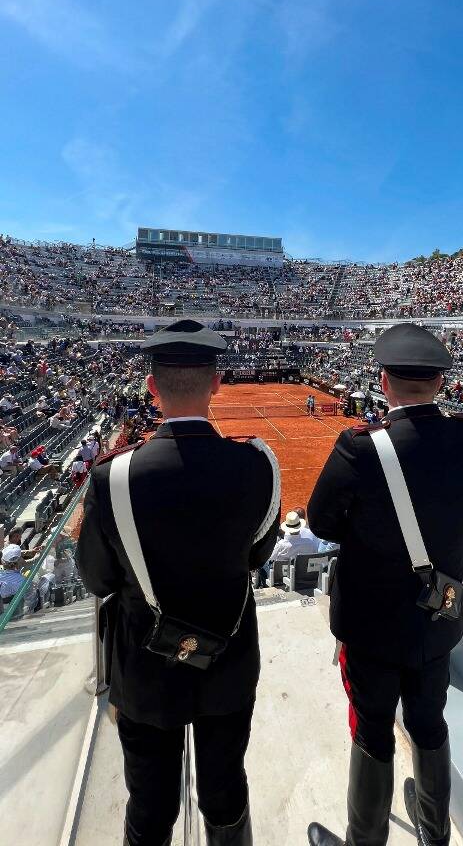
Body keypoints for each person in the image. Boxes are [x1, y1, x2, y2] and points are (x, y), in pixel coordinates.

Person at [76, 318, 281, 846]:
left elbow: (98, 578)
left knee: (149, 803)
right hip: (229, 661)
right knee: (226, 790)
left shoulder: (110, 480)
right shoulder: (259, 467)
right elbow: (258, 552)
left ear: (151, 386)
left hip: (144, 672)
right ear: (217, 383)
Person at [306, 323, 463, 846]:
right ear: (439, 381)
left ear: (384, 381)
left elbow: (322, 522)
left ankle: (364, 840)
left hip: (371, 621)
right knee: (430, 722)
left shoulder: (361, 448)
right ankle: (434, 834)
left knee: (372, 730)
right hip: (438, 615)